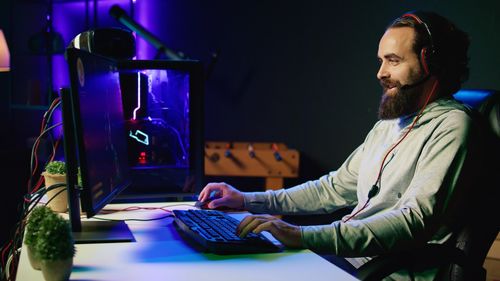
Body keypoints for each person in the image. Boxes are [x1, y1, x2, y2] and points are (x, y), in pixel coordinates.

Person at [199, 10, 477, 280]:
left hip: (388, 273)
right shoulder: (391, 125)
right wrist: (248, 200)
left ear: (430, 63)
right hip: (347, 260)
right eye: (380, 61)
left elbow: (412, 222)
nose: (380, 73)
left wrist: (303, 235)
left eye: (393, 60)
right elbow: (332, 189)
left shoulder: (452, 126)